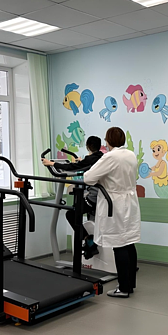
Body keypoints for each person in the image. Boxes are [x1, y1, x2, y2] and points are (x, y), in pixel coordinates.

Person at [83, 127, 141, 298]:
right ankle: (129, 284)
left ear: (108, 140)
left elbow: (88, 178)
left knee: (119, 244)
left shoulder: (110, 156)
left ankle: (123, 288)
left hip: (114, 203)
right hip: (129, 201)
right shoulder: (130, 154)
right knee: (129, 242)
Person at [42, 136, 103, 258]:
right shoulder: (101, 157)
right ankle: (88, 242)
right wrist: (81, 161)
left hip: (94, 198)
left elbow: (72, 167)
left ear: (88, 146)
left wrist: (52, 163)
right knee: (78, 206)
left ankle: (88, 239)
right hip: (102, 198)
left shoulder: (90, 159)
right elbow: (86, 164)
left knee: (71, 213)